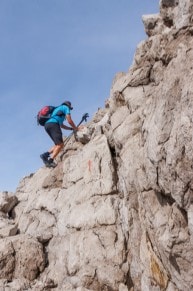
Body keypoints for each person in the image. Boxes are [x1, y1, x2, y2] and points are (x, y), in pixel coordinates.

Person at [40, 101, 81, 168]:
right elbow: (69, 121)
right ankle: (50, 161)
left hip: (47, 125)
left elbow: (62, 126)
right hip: (53, 124)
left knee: (57, 144)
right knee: (60, 145)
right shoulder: (65, 107)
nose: (70, 109)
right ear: (68, 105)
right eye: (70, 108)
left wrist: (71, 129)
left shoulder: (57, 110)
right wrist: (76, 128)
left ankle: (45, 155)